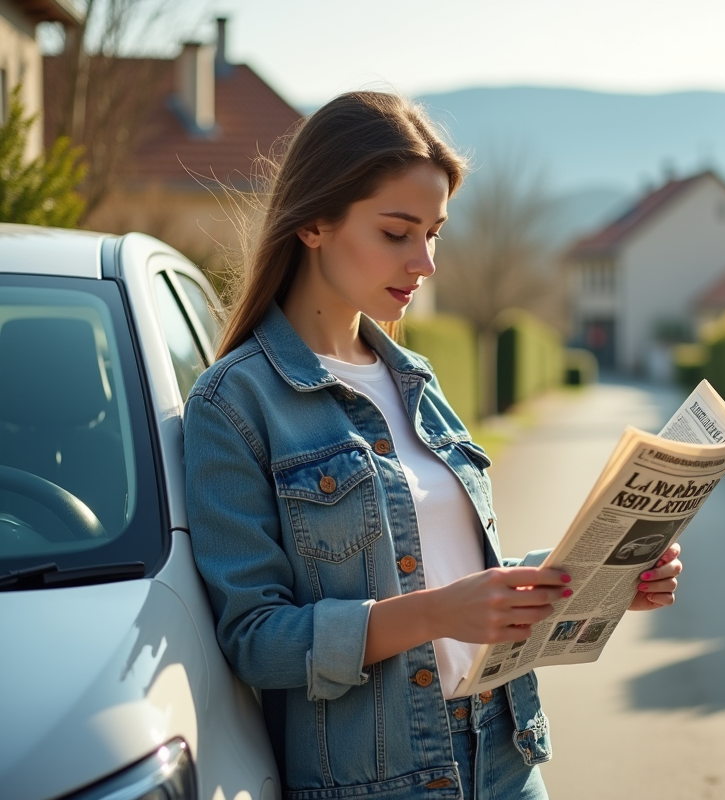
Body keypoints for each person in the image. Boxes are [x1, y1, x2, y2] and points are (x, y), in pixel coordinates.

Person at [182, 90, 683, 800]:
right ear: (315, 223)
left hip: (506, 750)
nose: (425, 262)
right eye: (397, 232)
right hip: (383, 780)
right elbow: (256, 640)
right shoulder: (234, 404)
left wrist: (600, 577)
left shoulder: (415, 378)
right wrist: (437, 613)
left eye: (435, 233)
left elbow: (458, 572)